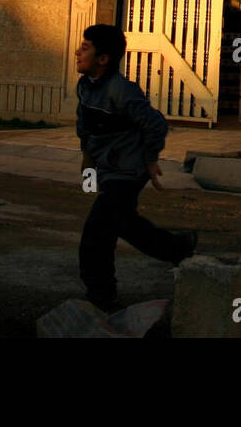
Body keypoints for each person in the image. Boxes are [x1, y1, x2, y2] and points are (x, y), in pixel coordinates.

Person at [75, 23, 197, 310]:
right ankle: (179, 247)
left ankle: (101, 296)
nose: (77, 52)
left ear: (103, 59)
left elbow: (155, 123)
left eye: (85, 47)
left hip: (129, 171)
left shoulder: (122, 90)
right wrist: (87, 156)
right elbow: (85, 123)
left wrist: (151, 159)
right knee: (123, 223)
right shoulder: (85, 87)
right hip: (109, 169)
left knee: (97, 233)